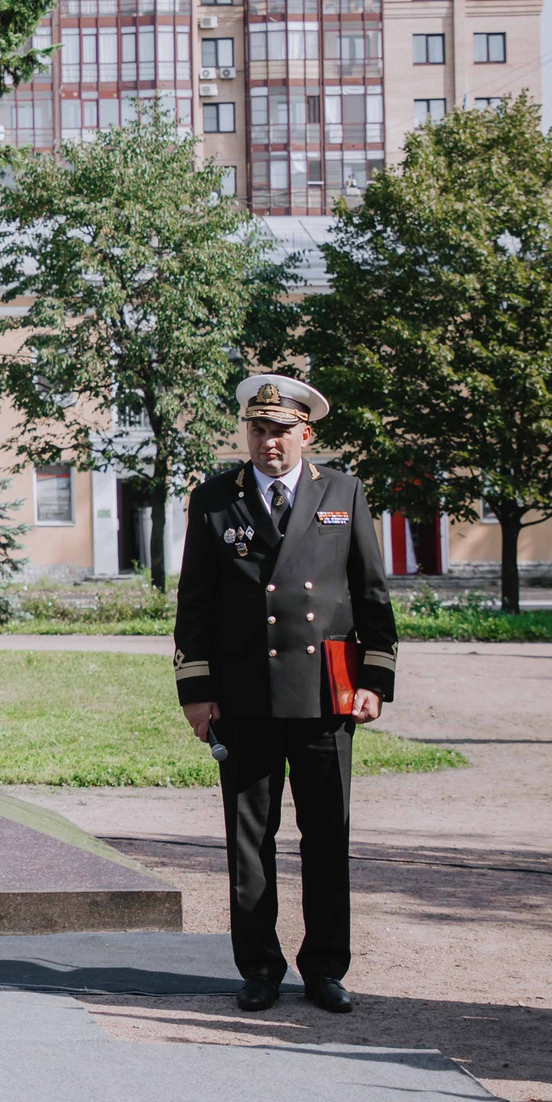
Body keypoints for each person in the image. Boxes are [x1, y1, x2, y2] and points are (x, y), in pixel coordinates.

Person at [173, 374, 398, 1014]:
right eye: (258, 429)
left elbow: (370, 593)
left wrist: (376, 679)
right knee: (251, 840)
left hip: (326, 694)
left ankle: (325, 966)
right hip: (244, 696)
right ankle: (260, 968)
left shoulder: (343, 493)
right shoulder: (216, 498)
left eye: (281, 430)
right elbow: (195, 601)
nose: (269, 442)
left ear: (307, 432)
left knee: (327, 832)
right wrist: (196, 691)